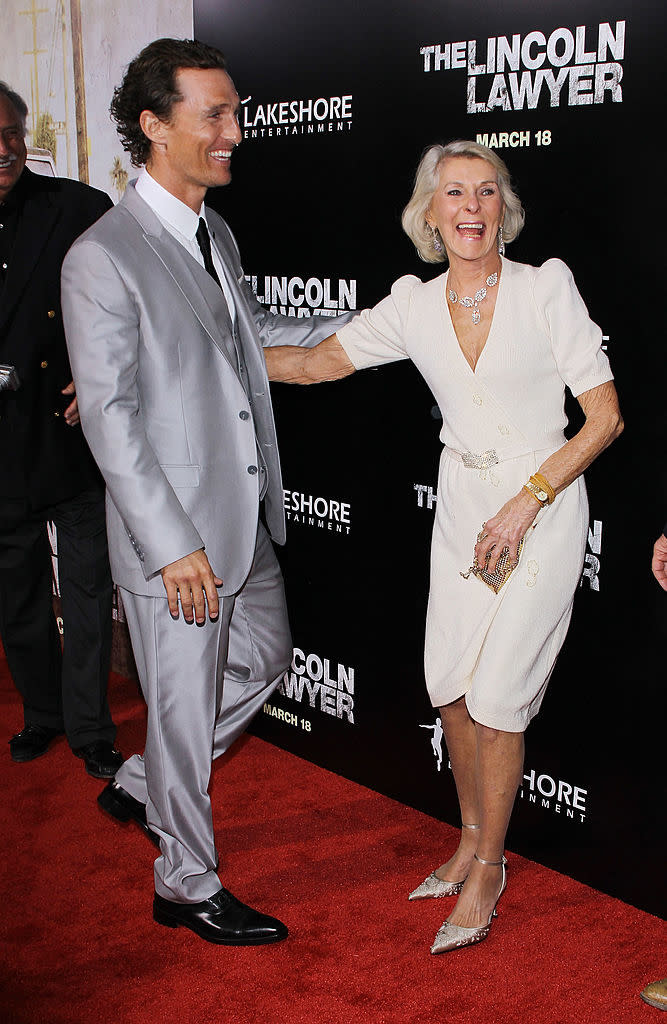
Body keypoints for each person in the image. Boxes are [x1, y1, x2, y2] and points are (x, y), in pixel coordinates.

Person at [264, 139, 623, 954]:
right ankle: (466, 838)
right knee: (453, 690)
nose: (470, 208)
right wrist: (209, 357)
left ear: (505, 208)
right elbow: (317, 362)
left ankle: (491, 867)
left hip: (542, 497)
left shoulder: (544, 288)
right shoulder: (413, 305)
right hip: (462, 502)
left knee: (497, 698)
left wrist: (524, 504)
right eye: (453, 194)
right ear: (429, 212)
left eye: (485, 193)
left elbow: (602, 417)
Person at [61, 38, 355, 947]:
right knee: (183, 713)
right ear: (154, 126)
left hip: (244, 517)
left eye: (236, 112)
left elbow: (250, 341)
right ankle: (184, 883)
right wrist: (168, 544)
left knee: (265, 659)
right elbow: (108, 418)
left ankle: (148, 782)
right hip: (176, 539)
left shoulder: (212, 229)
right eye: (215, 116)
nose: (236, 131)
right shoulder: (101, 258)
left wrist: (391, 321)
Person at [0, 83, 122, 779]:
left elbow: (121, 302)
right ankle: (41, 715)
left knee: (86, 589)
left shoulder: (79, 207)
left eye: (13, 132)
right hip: (2, 443)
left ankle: (91, 728)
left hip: (71, 434)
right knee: (16, 594)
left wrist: (98, 369)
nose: (4, 148)